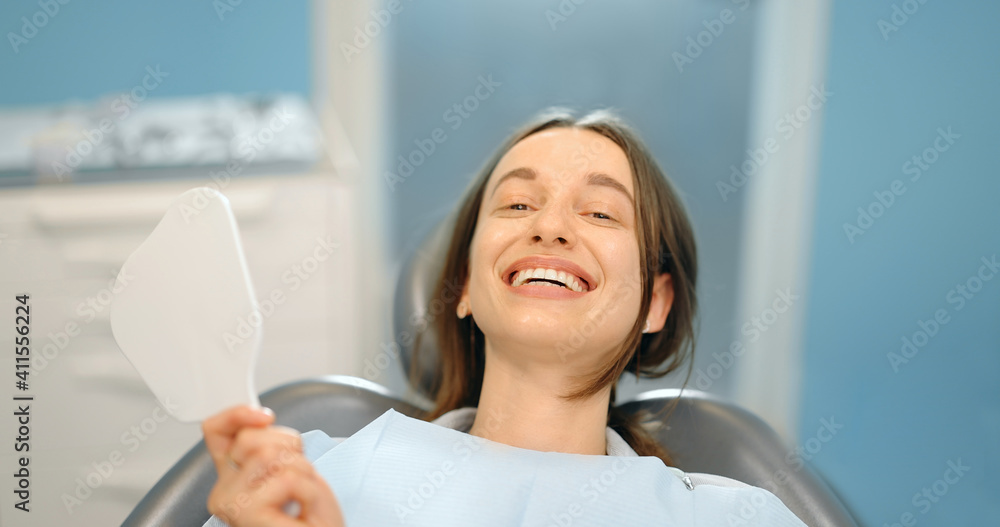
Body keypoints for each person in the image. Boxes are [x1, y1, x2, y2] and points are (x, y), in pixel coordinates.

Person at [201, 108, 801, 526]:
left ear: (656, 303)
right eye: (517, 203)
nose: (549, 226)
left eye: (599, 213)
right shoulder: (301, 481)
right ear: (463, 282)